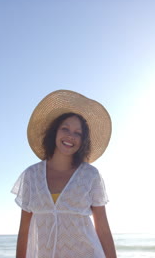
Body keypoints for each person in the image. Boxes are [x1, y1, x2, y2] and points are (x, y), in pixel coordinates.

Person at [12, 90, 116, 258]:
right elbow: (24, 229)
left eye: (78, 133)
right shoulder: (31, 176)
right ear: (55, 132)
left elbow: (102, 228)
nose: (70, 136)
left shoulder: (90, 175)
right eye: (65, 129)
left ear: (83, 141)